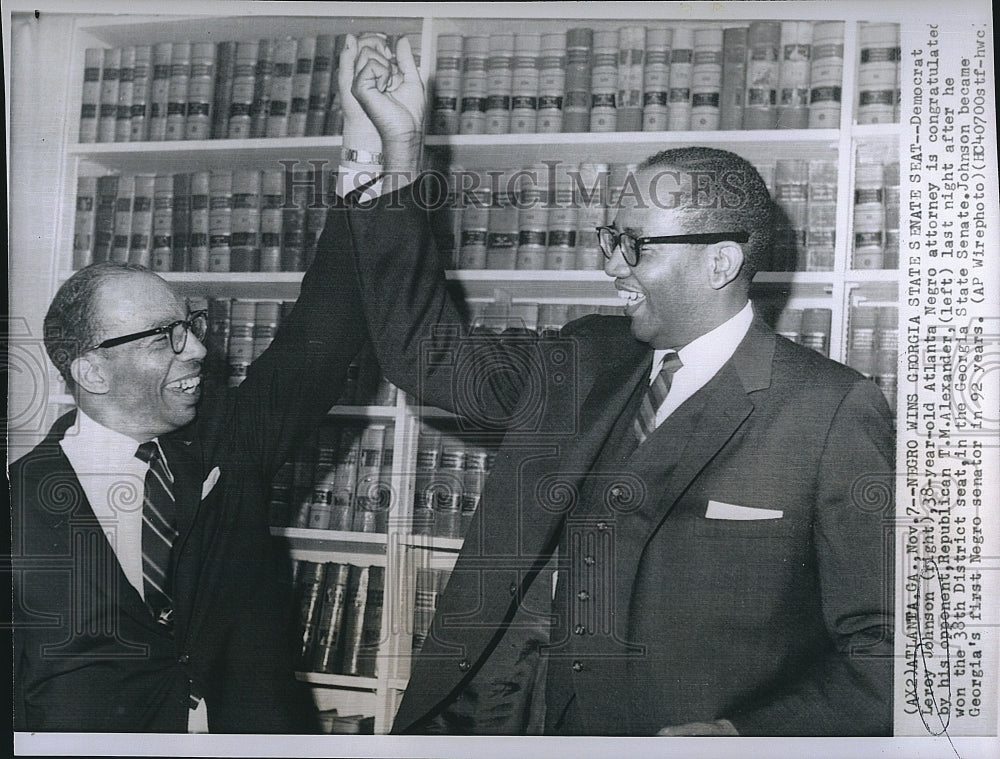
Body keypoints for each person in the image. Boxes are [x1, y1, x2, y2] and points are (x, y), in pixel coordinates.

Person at [329, 36, 895, 736]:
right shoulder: (587, 355)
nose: (610, 266)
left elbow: (886, 650)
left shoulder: (831, 411)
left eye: (636, 245)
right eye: (609, 237)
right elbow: (422, 354)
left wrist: (748, 736)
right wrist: (394, 153)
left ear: (720, 262)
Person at [12, 200, 368, 731]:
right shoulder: (19, 498)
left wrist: (375, 168)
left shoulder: (229, 448)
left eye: (191, 326)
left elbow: (323, 335)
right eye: (165, 338)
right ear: (92, 372)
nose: (199, 349)